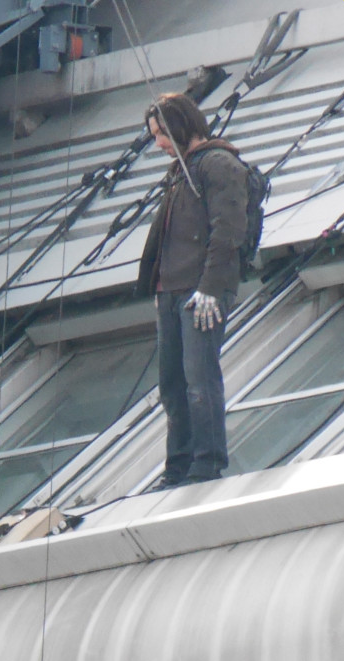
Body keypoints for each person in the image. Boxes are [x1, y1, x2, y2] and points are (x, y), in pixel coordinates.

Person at [136, 93, 248, 489]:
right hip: (171, 292)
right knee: (172, 384)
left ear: (182, 126)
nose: (159, 144)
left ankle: (207, 462)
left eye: (162, 134)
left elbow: (229, 228)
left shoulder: (219, 164)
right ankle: (178, 465)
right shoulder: (181, 171)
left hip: (201, 291)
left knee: (199, 379)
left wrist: (211, 287)